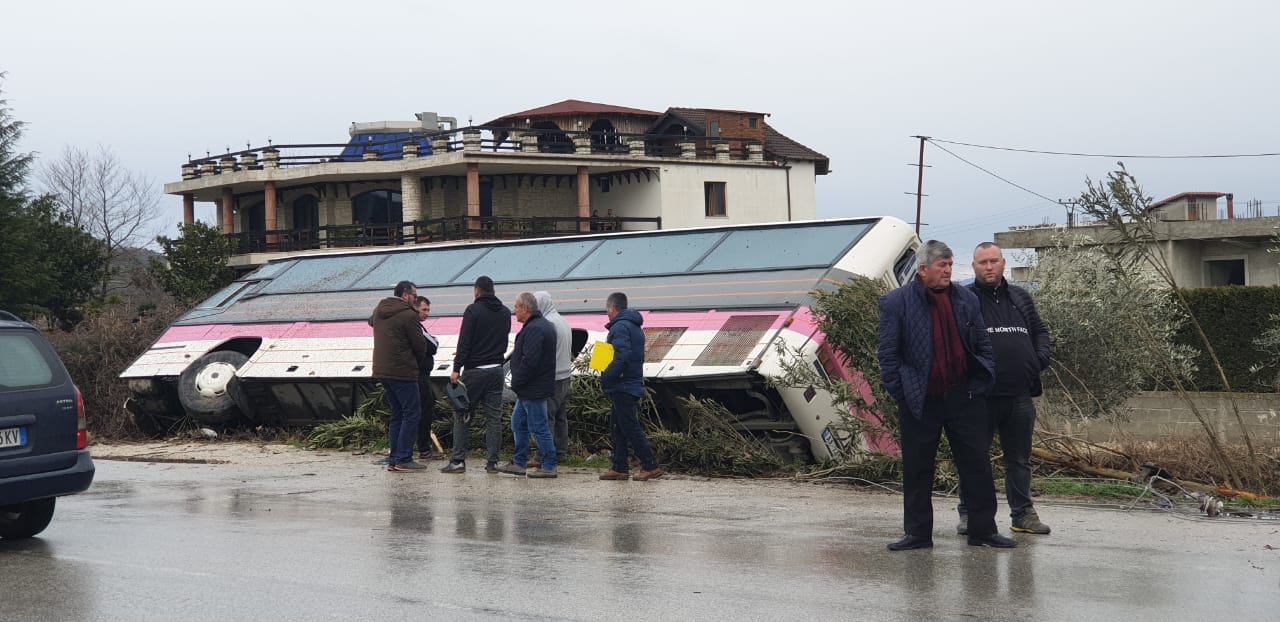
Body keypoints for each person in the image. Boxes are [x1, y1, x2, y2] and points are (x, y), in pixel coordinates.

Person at [876, 240, 1015, 550]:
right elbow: (887, 354)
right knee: (917, 468)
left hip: (963, 397)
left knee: (977, 466)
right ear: (923, 269)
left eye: (951, 265)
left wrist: (982, 382)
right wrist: (901, 390)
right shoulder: (896, 302)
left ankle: (983, 531)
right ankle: (917, 534)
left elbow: (982, 344)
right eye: (942, 266)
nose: (948, 271)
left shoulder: (965, 299)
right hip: (919, 399)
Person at [957, 242, 1052, 535]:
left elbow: (1040, 332)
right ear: (973, 266)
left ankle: (1022, 514)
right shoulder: (964, 299)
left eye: (993, 261)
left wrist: (1038, 360)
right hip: (981, 397)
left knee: (1019, 460)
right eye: (982, 262)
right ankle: (970, 514)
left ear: (1003, 263)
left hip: (1020, 395)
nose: (989, 267)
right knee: (974, 459)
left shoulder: (1020, 297)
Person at [441, 276, 511, 474]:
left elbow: (465, 342)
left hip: (474, 371)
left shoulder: (473, 311)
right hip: (497, 370)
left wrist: (456, 368)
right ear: (494, 291)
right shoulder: (505, 312)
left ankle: (458, 461)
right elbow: (504, 341)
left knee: (463, 414)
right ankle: (492, 463)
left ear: (476, 291)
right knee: (493, 418)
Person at [598, 292, 662, 481]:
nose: (607, 314)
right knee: (617, 426)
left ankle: (650, 464)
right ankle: (620, 467)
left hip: (623, 384)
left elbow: (622, 356)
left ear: (612, 308)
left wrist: (607, 376)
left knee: (629, 427)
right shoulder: (634, 327)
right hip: (630, 382)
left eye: (607, 310)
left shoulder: (619, 327)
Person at [369, 280, 430, 472]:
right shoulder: (408, 315)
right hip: (403, 371)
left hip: (382, 370)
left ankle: (394, 458)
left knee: (397, 413)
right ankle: (404, 458)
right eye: (413, 294)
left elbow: (371, 322)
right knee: (412, 413)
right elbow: (420, 346)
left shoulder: (380, 309)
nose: (415, 298)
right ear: (405, 295)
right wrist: (417, 361)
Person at [498, 292, 559, 478]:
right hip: (531, 388)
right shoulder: (542, 326)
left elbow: (530, 361)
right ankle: (519, 461)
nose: (514, 311)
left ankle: (549, 465)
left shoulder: (535, 329)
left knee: (539, 427)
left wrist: (516, 381)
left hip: (532, 388)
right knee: (518, 423)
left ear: (525, 308)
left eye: (516, 307)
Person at [530, 291, 572, 470]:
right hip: (565, 375)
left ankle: (543, 455)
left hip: (552, 377)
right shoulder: (562, 321)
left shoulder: (548, 323)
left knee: (546, 417)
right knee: (560, 417)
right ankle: (561, 451)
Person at [414, 296, 443, 461]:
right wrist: (436, 342)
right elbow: (433, 345)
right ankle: (424, 448)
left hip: (420, 374)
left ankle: (421, 446)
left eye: (428, 310)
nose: (427, 313)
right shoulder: (416, 327)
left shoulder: (418, 326)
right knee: (424, 410)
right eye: (424, 310)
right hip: (420, 375)